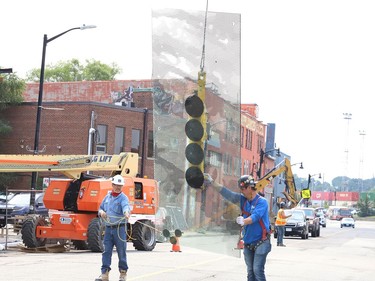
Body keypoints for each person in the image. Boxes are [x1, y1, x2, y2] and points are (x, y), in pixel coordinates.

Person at [204, 173, 271, 281]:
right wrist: (212, 182)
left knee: (257, 270)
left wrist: (243, 221)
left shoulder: (262, 202)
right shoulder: (243, 200)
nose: (241, 191)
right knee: (250, 272)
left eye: (243, 189)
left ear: (250, 187)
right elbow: (227, 193)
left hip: (261, 241)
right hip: (248, 242)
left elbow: (255, 217)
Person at [96, 174, 131, 281]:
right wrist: (101, 212)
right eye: (116, 185)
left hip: (119, 229)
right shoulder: (107, 197)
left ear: (122, 186)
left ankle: (123, 273)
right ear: (112, 184)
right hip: (108, 229)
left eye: (120, 185)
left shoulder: (123, 198)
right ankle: (104, 274)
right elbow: (100, 208)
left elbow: (126, 206)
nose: (118, 187)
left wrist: (126, 213)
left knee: (121, 251)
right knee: (106, 251)